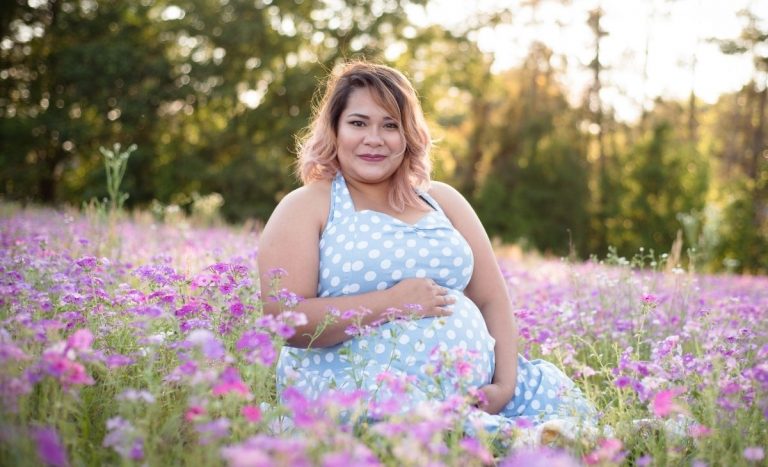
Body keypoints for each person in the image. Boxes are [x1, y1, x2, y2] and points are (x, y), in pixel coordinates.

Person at [257, 61, 594, 430]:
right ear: (334, 129)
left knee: (581, 427)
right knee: (440, 437)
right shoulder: (309, 205)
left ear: (408, 136)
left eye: (390, 125)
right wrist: (390, 304)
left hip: (479, 393)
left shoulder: (443, 200)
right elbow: (285, 321)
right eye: (358, 123)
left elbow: (491, 298)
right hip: (358, 390)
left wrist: (504, 385)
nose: (374, 138)